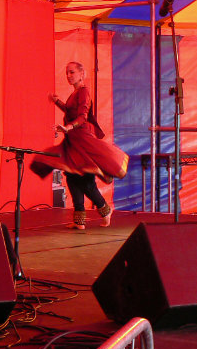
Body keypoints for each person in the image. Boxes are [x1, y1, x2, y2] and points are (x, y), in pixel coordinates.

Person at [30, 61, 128, 229]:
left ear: (82, 74)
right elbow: (70, 111)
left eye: (72, 72)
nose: (68, 75)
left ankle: (105, 210)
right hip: (72, 140)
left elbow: (82, 116)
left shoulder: (84, 92)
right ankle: (79, 220)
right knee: (72, 175)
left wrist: (67, 127)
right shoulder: (75, 93)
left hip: (82, 140)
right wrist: (57, 101)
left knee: (84, 178)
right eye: (67, 73)